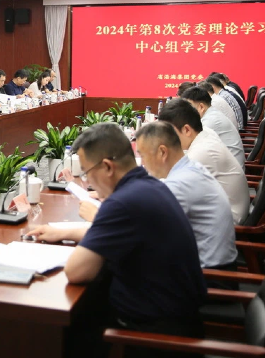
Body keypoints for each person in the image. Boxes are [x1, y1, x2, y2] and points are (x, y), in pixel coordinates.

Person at [27, 123, 206, 349]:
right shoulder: (149, 186)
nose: (88, 181)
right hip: (178, 319)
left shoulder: (123, 202)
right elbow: (118, 234)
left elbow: (76, 271)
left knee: (60, 330)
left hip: (154, 337)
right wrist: (64, 232)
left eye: (87, 173)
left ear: (107, 167)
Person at [136, 122, 237, 269]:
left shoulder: (180, 184)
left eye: (143, 156)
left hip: (210, 275)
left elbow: (144, 231)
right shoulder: (191, 167)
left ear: (162, 152)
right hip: (210, 265)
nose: (143, 163)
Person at [158, 99, 250, 225]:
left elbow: (171, 190)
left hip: (226, 221)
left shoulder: (202, 152)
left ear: (187, 130)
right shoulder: (205, 132)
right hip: (222, 209)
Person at [180, 86, 245, 167]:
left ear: (201, 107)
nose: (185, 112)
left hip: (226, 169)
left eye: (188, 108)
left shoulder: (210, 121)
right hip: (224, 165)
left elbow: (190, 150)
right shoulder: (212, 114)